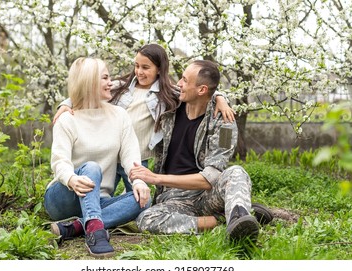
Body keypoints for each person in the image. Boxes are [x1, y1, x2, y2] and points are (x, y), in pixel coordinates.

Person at [53, 44, 236, 194]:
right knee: (99, 191)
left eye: (146, 67)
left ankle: (106, 214)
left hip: (139, 159)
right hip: (113, 155)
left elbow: (198, 90)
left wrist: (219, 97)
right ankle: (94, 215)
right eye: (136, 66)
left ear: (159, 70)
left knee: (137, 197)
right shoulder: (121, 87)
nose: (139, 71)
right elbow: (90, 87)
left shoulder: (167, 92)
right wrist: (65, 103)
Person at [129, 60, 272, 242]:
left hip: (207, 196)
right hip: (173, 198)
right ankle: (223, 220)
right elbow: (149, 84)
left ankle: (238, 218)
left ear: (202, 90)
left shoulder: (225, 124)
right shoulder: (172, 101)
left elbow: (210, 178)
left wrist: (155, 178)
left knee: (236, 172)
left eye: (184, 80)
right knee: (146, 219)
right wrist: (220, 96)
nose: (178, 83)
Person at [44, 57, 151, 258]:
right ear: (89, 81)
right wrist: (72, 179)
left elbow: (130, 154)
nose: (111, 82)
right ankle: (94, 232)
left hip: (99, 200)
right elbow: (59, 161)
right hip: (64, 196)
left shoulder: (119, 115)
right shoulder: (67, 118)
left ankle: (80, 226)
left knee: (144, 199)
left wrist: (137, 180)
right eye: (104, 78)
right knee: (92, 168)